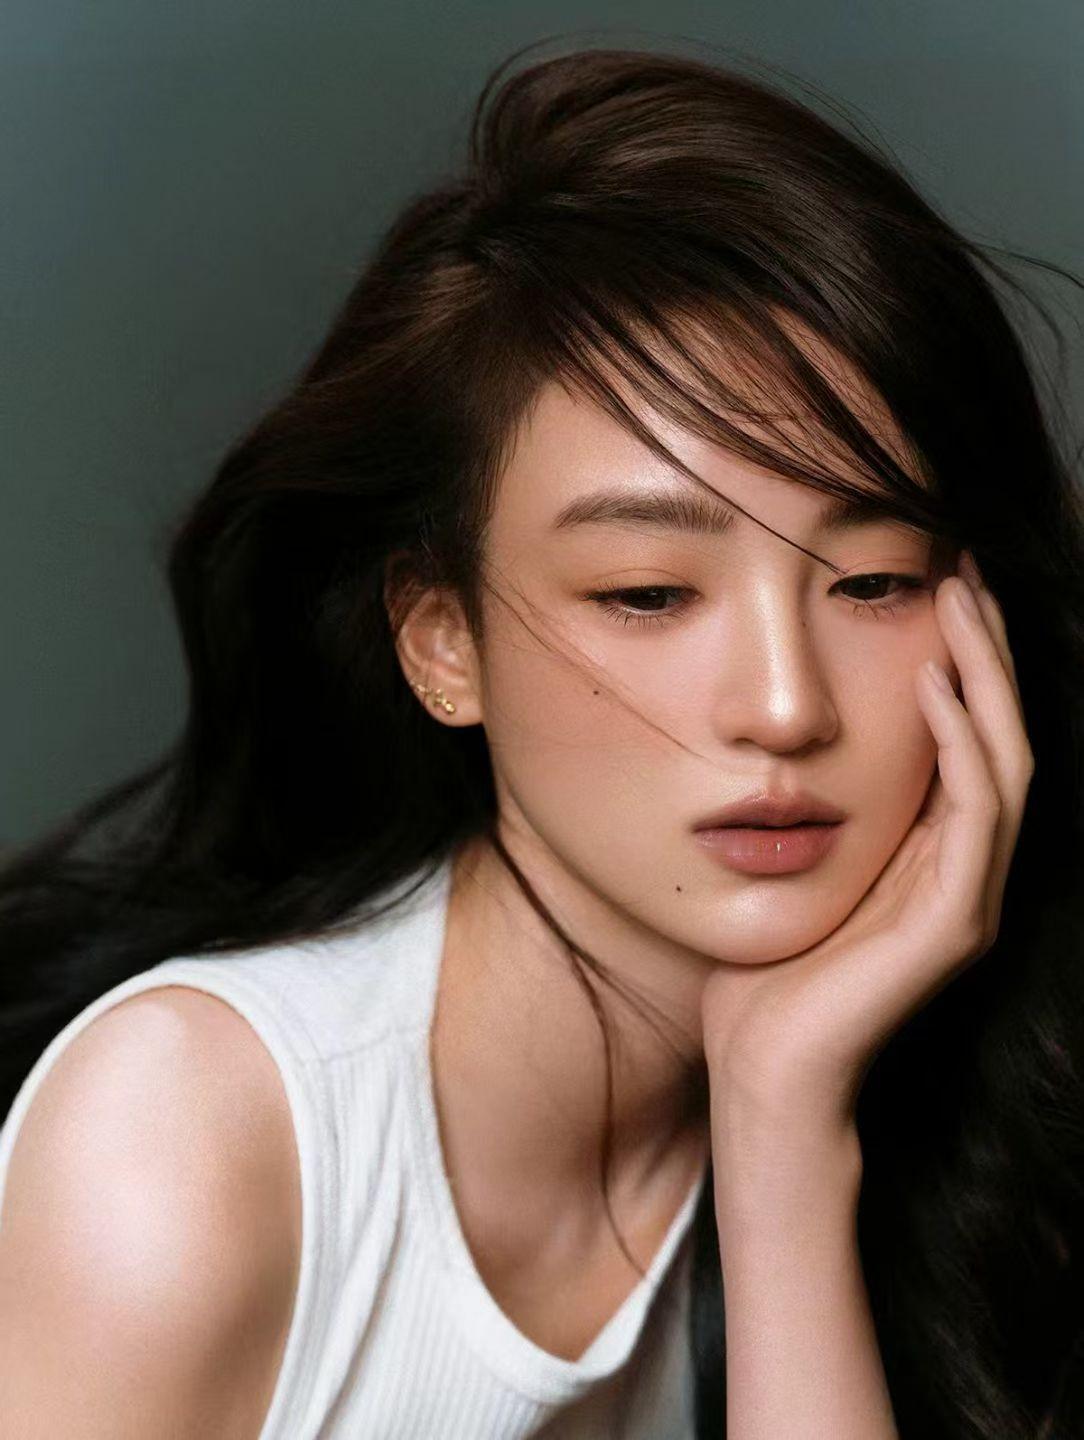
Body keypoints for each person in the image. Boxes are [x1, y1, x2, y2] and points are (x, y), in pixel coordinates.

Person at [1, 37, 1082, 1440]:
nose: (785, 706)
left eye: (872, 581)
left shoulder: (952, 1130)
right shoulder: (183, 1137)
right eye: (648, 593)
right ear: (443, 642)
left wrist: (782, 1138)